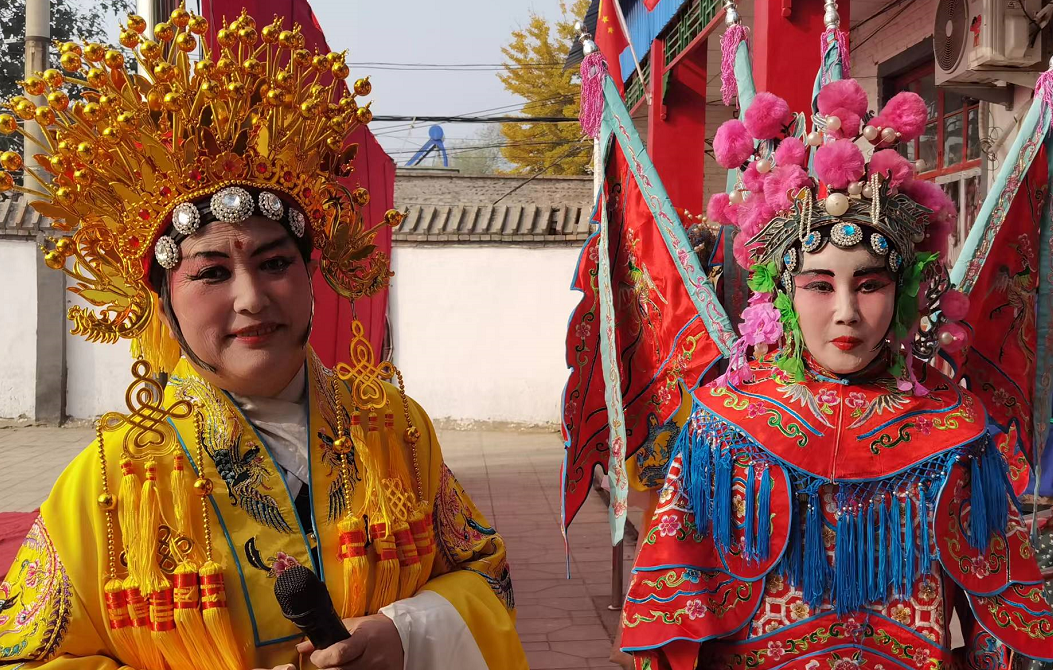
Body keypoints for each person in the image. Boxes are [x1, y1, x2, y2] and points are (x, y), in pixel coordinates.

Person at [0, 6, 527, 670]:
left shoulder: (397, 433)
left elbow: (489, 577)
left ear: (310, 277)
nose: (251, 298)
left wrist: (406, 632)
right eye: (211, 273)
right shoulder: (106, 485)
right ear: (162, 305)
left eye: (274, 262)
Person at [619, 79, 1053, 669]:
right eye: (819, 286)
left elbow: (999, 616)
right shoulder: (725, 428)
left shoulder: (957, 430)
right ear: (783, 294)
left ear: (903, 293)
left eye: (869, 285)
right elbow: (672, 616)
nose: (846, 311)